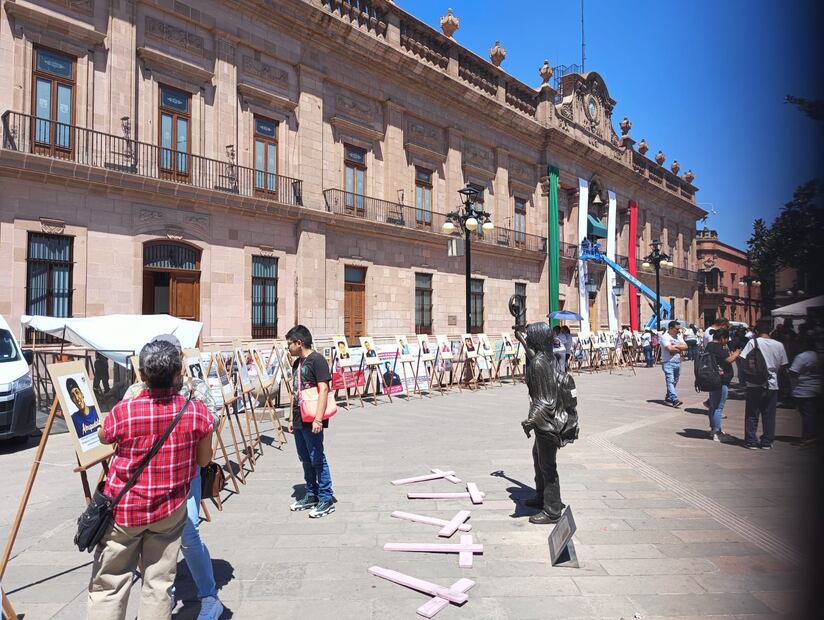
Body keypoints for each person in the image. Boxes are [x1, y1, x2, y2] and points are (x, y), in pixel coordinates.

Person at [88, 339, 213, 620]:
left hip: (125, 512)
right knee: (158, 586)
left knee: (109, 586)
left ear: (142, 375)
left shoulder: (125, 411)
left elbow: (103, 437)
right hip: (169, 511)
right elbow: (204, 461)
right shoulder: (195, 412)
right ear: (179, 372)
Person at [121, 335, 224, 620]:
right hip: (144, 479)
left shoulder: (195, 387)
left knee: (189, 532)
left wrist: (188, 422)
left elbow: (213, 418)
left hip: (183, 471)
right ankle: (162, 594)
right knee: (147, 537)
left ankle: (208, 594)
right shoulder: (135, 391)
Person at [513, 323, 579, 525]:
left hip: (549, 422)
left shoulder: (539, 365)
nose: (529, 339)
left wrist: (531, 420)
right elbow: (533, 354)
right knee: (538, 456)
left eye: (531, 336)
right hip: (550, 419)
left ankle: (552, 510)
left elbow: (545, 399)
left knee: (547, 465)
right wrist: (521, 337)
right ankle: (541, 496)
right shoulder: (545, 356)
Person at [286, 325, 336, 518]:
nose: (288, 348)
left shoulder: (317, 360)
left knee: (317, 457)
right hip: (299, 417)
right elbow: (295, 392)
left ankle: (326, 497)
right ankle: (311, 494)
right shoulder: (297, 363)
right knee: (304, 458)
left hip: (313, 417)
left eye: (289, 344)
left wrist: (318, 419)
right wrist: (291, 417)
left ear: (299, 343)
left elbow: (323, 390)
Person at [739, 319, 789, 449]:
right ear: (770, 331)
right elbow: (784, 366)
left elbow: (743, 359)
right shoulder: (779, 345)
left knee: (752, 413)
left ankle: (751, 440)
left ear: (756, 331)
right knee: (769, 414)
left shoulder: (753, 342)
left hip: (754, 384)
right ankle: (767, 441)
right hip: (772, 383)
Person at [704, 329, 739, 442]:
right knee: (718, 407)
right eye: (726, 338)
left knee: (713, 406)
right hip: (721, 380)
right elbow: (729, 360)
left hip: (712, 379)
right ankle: (717, 432)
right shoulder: (719, 347)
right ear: (722, 338)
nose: (727, 341)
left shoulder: (709, 345)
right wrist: (736, 353)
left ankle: (713, 429)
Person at [788, 336, 822, 444]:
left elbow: (793, 372)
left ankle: (808, 436)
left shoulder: (802, 357)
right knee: (813, 413)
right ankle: (813, 434)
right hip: (817, 388)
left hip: (803, 389)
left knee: (806, 414)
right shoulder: (819, 356)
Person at [660, 320, 688, 407]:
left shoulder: (678, 336)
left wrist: (675, 346)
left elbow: (686, 346)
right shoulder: (665, 337)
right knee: (670, 381)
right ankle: (674, 399)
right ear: (671, 328)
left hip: (677, 361)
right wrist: (680, 348)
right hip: (668, 362)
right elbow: (669, 348)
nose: (678, 330)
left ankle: (668, 396)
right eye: (677, 329)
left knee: (675, 381)